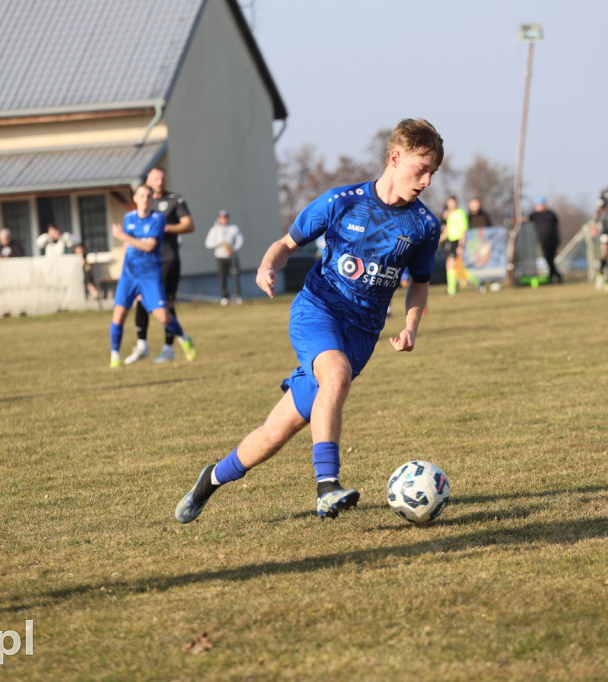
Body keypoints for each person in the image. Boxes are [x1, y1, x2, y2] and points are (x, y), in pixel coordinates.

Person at [174, 118, 443, 523]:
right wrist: (267, 266)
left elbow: (419, 284)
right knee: (335, 375)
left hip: (361, 333)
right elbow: (285, 244)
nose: (426, 181)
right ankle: (327, 486)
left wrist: (410, 327)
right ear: (394, 157)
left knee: (275, 433)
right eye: (420, 169)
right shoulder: (341, 202)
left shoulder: (423, 226)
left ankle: (209, 479)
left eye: (432, 173)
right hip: (317, 309)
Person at [127, 168, 196, 364]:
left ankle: (168, 347)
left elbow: (189, 225)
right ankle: (142, 344)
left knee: (166, 303)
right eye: (156, 177)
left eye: (163, 177)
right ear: (147, 180)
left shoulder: (174, 200)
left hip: (167, 258)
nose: (160, 180)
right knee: (140, 299)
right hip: (145, 262)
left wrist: (166, 228)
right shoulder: (144, 201)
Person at [108, 185, 181, 368]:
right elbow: (128, 246)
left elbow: (149, 246)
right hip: (130, 274)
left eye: (148, 196)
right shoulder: (128, 218)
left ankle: (183, 339)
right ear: (135, 198)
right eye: (141, 195)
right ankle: (115, 355)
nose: (145, 199)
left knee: (163, 316)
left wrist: (123, 236)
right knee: (119, 314)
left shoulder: (157, 219)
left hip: (149, 274)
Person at [204, 209, 244, 305]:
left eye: (225, 218)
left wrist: (233, 248)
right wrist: (220, 243)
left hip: (232, 256)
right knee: (222, 277)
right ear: (218, 219)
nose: (224, 220)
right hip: (220, 256)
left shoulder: (234, 228)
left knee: (235, 275)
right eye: (222, 218)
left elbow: (240, 240)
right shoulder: (214, 230)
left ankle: (237, 296)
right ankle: (224, 297)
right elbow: (208, 244)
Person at [530, 196, 563, 284]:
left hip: (553, 239)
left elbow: (557, 226)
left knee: (551, 258)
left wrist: (559, 237)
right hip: (543, 240)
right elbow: (526, 219)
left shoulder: (551, 214)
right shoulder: (535, 215)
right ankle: (556, 275)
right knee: (548, 258)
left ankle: (552, 276)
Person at [440, 195, 468, 295]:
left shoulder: (460, 213)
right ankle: (451, 288)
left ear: (456, 203)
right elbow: (447, 230)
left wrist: (461, 245)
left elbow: (463, 230)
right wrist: (439, 240)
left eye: (453, 203)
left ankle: (452, 289)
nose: (451, 205)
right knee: (450, 265)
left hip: (457, 241)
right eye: (449, 203)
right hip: (450, 241)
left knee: (454, 265)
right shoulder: (449, 215)